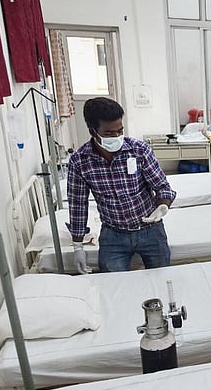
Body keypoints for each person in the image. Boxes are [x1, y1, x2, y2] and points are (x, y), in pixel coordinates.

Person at [67, 97, 176, 273]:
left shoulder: (139, 150)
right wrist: (77, 246)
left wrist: (163, 205)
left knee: (162, 279)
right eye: (109, 134)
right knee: (114, 289)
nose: (117, 137)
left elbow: (162, 186)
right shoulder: (80, 161)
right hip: (113, 235)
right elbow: (78, 204)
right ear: (93, 131)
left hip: (150, 231)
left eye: (120, 131)